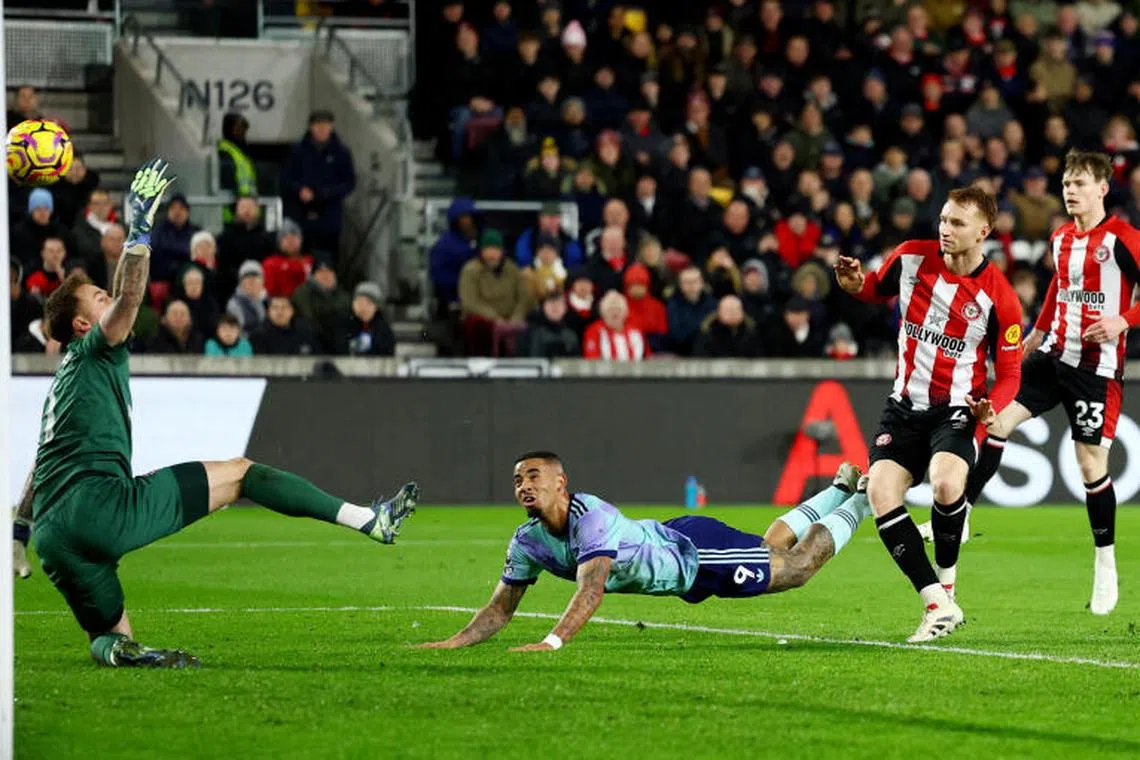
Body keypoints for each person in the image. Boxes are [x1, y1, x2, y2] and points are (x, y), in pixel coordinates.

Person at [24, 159, 418, 667]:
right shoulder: (99, 345)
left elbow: (40, 461)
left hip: (53, 538)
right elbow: (127, 300)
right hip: (101, 507)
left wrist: (19, 531)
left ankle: (122, 653)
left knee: (110, 632)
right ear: (82, 323)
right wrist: (140, 229)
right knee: (243, 474)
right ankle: (370, 520)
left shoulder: (63, 380)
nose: (110, 298)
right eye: (97, 298)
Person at [931, 151, 1140, 617]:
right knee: (994, 421)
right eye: (1067, 182)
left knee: (1090, 467)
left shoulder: (1124, 239)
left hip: (1096, 370)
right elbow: (1058, 288)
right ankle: (962, 511)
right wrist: (1038, 333)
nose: (1070, 190)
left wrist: (1123, 321)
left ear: (1102, 189)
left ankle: (1105, 563)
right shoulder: (1062, 237)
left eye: (1081, 183)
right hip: (1051, 357)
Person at [416, 454, 869, 651]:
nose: (524, 485)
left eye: (534, 476)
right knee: (768, 549)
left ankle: (866, 498)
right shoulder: (527, 541)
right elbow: (500, 609)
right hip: (676, 538)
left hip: (694, 557)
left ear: (560, 483)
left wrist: (552, 642)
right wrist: (452, 642)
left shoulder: (589, 516)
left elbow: (592, 589)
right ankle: (837, 489)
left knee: (797, 567)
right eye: (517, 480)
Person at [833, 186, 1023, 642]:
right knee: (880, 492)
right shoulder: (911, 258)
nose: (945, 229)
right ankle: (936, 602)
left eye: (957, 223)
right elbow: (875, 289)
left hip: (957, 409)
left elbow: (1012, 372)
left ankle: (948, 580)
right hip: (902, 406)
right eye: (942, 219)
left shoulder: (1000, 296)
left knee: (946, 483)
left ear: (983, 232)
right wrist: (854, 284)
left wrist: (992, 406)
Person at [280, 110, 356, 256]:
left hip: (329, 217)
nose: (322, 129)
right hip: (300, 215)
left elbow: (349, 183)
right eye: (318, 125)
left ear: (332, 127)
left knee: (328, 257)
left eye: (326, 125)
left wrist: (327, 193)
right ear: (311, 127)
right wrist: (299, 190)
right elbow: (285, 179)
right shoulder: (296, 151)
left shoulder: (342, 152)